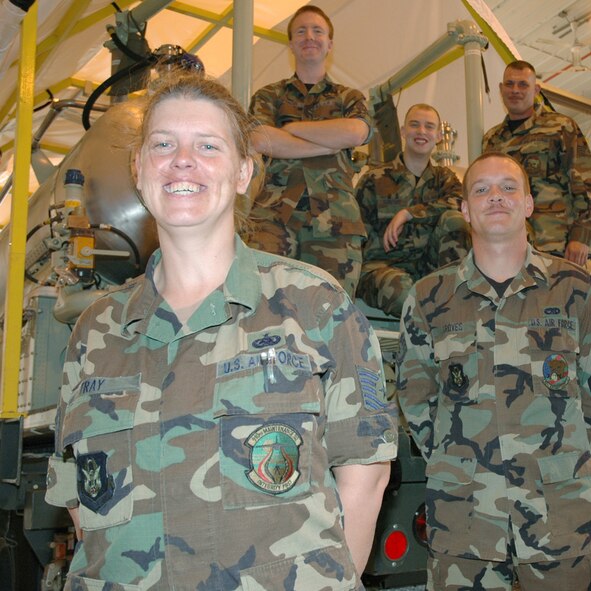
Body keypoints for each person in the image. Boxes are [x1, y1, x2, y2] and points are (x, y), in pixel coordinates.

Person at [44, 74, 396, 590]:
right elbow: (81, 495)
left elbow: (365, 472)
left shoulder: (312, 304)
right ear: (139, 171)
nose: (182, 159)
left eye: (208, 145)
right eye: (163, 144)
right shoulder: (96, 331)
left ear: (242, 173)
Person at [396, 152, 591, 590]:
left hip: (564, 520)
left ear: (528, 204)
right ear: (465, 210)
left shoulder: (575, 289)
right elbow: (417, 400)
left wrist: (568, 465)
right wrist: (459, 464)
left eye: (508, 187)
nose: (495, 197)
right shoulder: (428, 299)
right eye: (481, 189)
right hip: (466, 522)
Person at [247, 5, 371, 297]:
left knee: (332, 312)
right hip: (273, 217)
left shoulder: (349, 97)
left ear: (330, 43)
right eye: (300, 31)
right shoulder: (269, 95)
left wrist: (290, 128)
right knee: (261, 303)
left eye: (318, 31)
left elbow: (357, 132)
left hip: (335, 220)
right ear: (290, 44)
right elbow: (261, 140)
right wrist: (329, 141)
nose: (309, 36)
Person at [482, 60, 591, 266]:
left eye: (523, 85)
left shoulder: (560, 127)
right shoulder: (491, 140)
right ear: (501, 89)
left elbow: (589, 186)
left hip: (557, 248)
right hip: (509, 253)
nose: (515, 90)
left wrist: (581, 237)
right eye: (510, 84)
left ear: (536, 90)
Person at [355, 103, 469, 317]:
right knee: (407, 296)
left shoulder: (445, 180)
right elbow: (352, 234)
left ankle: (454, 302)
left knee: (455, 219)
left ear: (438, 136)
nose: (421, 132)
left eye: (429, 127)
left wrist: (409, 213)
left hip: (430, 269)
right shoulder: (375, 179)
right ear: (403, 132)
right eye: (414, 125)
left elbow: (462, 202)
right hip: (383, 269)